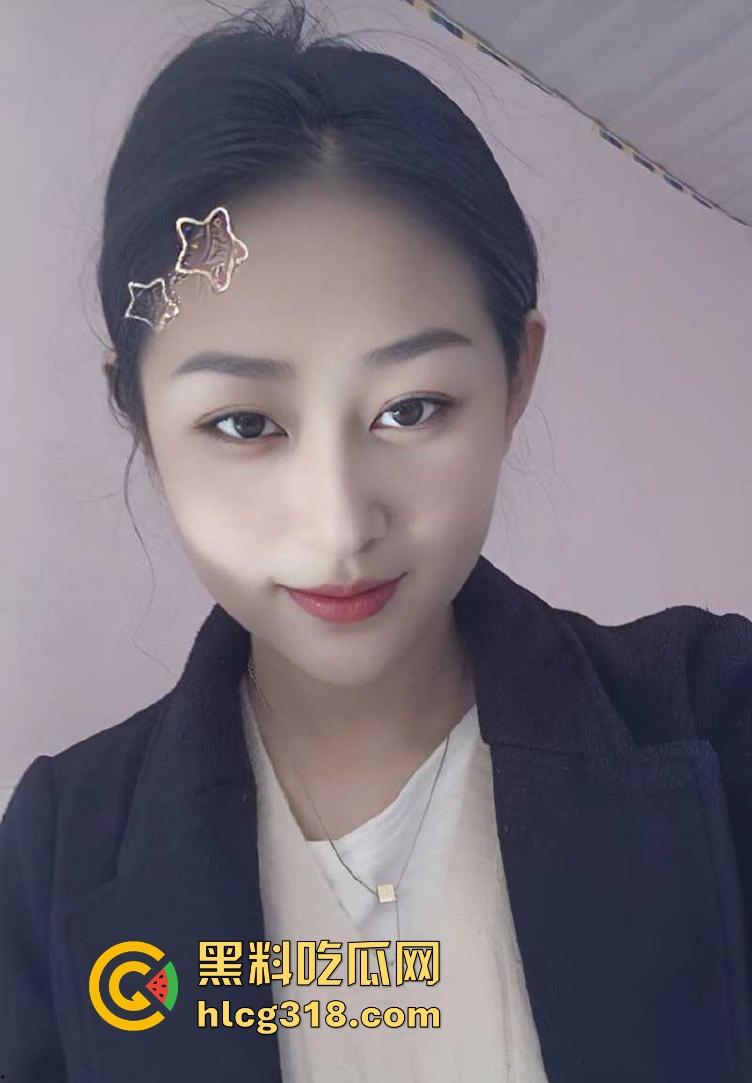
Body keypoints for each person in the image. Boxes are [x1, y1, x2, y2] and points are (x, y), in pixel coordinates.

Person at [1, 2, 750, 1080]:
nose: (341, 524)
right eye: (244, 424)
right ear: (142, 419)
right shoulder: (55, 852)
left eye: (411, 408)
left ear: (515, 378)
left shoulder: (712, 715)